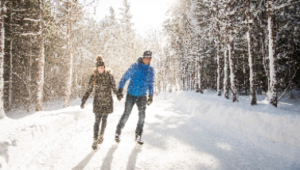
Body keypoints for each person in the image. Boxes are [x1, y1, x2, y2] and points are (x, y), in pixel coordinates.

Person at [115, 50, 154, 145]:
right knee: (127, 113)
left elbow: (150, 84)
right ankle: (118, 132)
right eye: (146, 58)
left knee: (142, 116)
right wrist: (120, 89)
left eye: (149, 58)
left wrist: (151, 95)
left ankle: (138, 135)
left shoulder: (150, 70)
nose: (147, 60)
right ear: (143, 57)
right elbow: (125, 77)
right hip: (131, 94)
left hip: (142, 96)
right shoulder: (135, 66)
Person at [80, 55, 118, 150]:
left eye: (102, 67)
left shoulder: (109, 76)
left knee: (104, 120)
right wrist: (83, 100)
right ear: (97, 68)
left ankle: (101, 134)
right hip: (98, 102)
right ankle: (95, 139)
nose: (101, 69)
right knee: (97, 122)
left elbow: (114, 87)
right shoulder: (93, 77)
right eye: (99, 68)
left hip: (107, 101)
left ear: (104, 68)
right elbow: (89, 90)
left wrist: (118, 94)